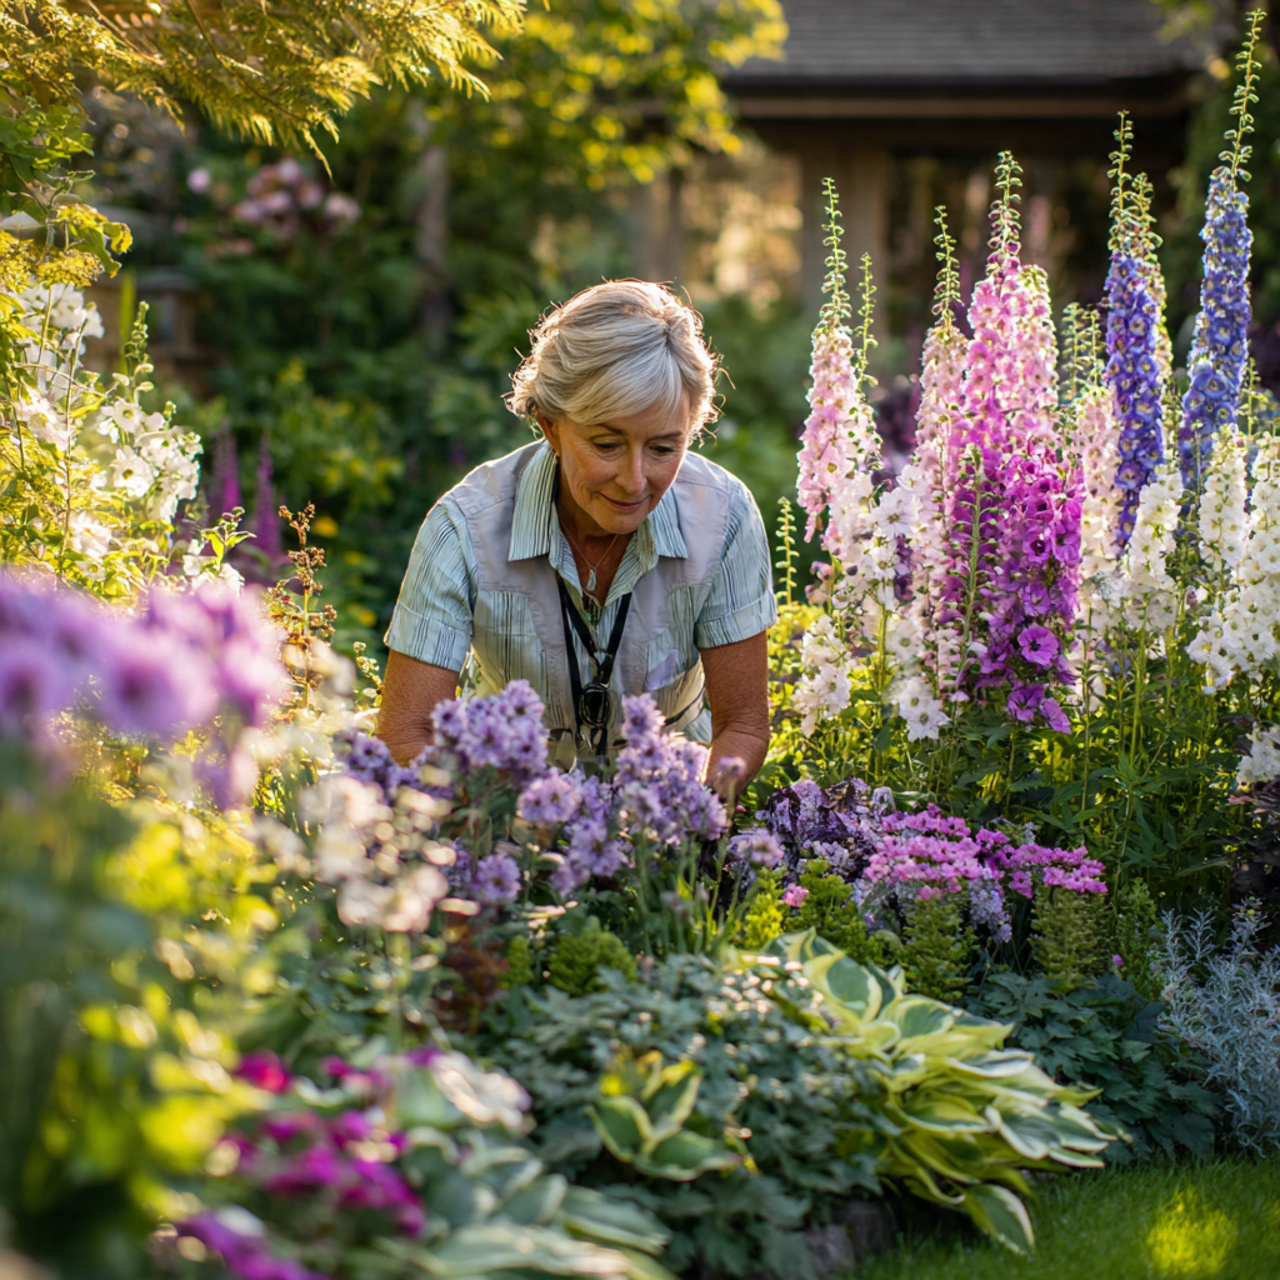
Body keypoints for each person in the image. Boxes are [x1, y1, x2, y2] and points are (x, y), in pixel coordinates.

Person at [377, 280, 776, 795]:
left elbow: (742, 726)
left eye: (662, 449)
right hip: (497, 803)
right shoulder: (465, 528)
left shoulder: (724, 518)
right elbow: (408, 733)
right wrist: (501, 820)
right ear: (551, 426)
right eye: (607, 445)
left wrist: (691, 813)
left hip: (669, 801)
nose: (635, 481)